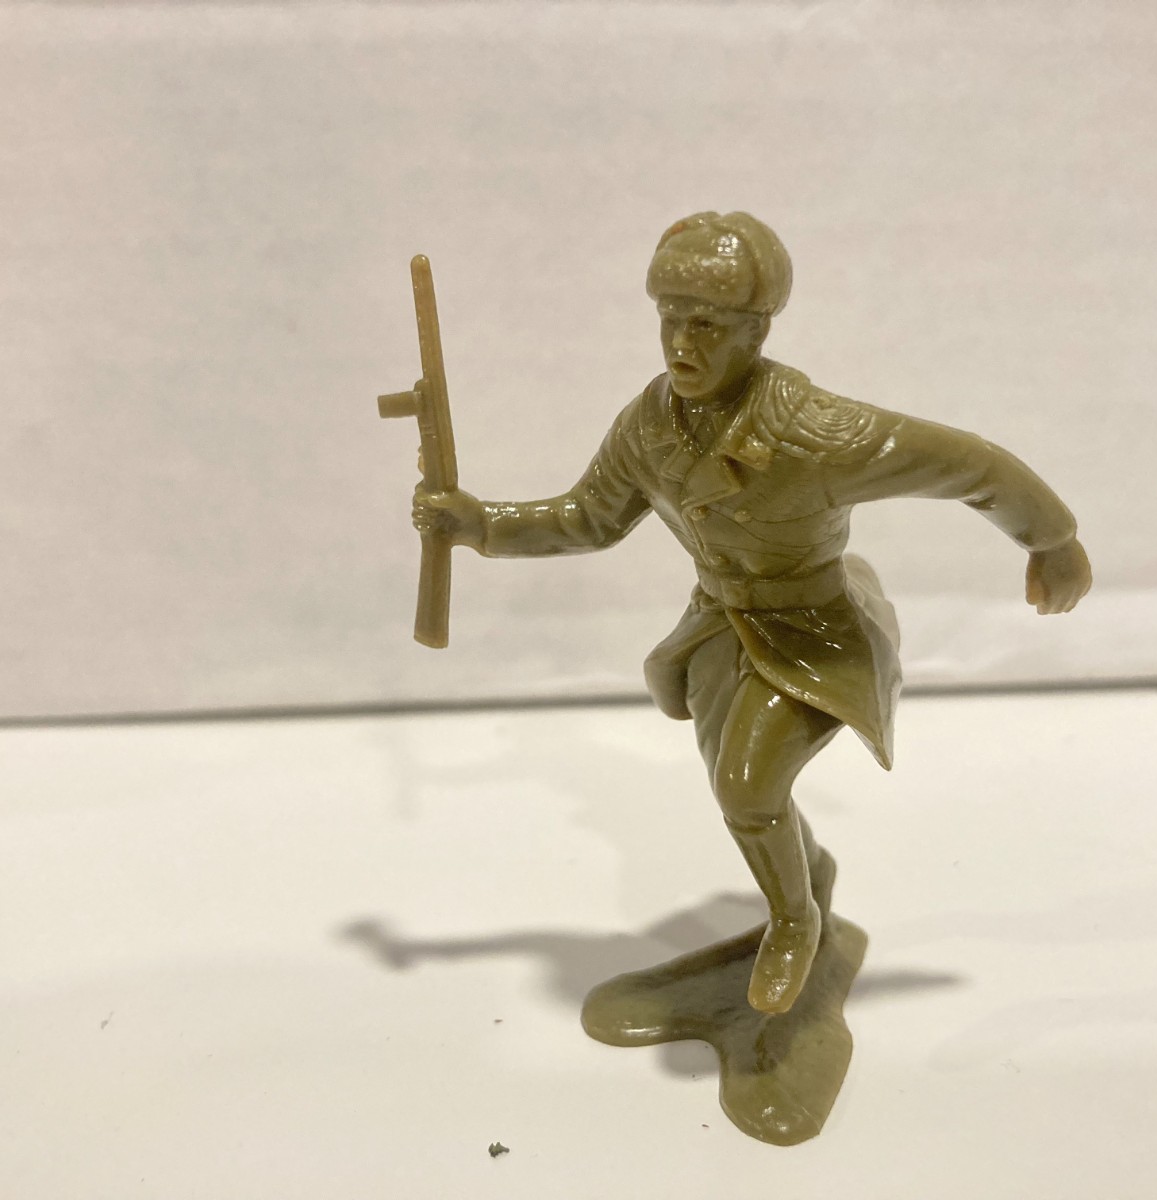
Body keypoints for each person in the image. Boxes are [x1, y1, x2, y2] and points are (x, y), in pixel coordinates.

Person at [413, 211, 1091, 1015]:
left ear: (756, 331)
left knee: (744, 789)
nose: (681, 343)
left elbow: (972, 465)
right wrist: (480, 524)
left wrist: (1053, 540)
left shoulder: (817, 433)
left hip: (813, 633)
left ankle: (796, 921)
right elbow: (586, 518)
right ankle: (811, 873)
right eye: (670, 318)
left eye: (706, 324)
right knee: (743, 792)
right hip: (717, 629)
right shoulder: (649, 424)